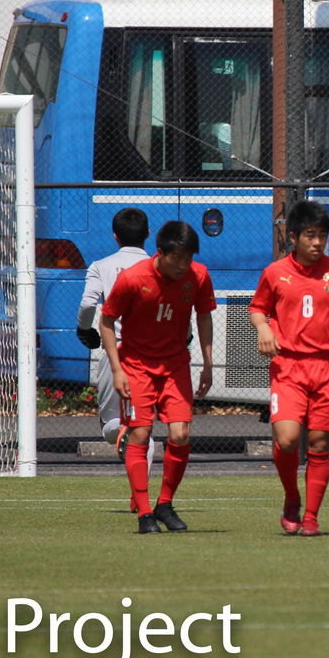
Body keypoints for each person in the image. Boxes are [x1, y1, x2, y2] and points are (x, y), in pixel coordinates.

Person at [250, 200, 329, 537]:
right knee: (288, 438)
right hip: (288, 367)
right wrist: (263, 328)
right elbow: (258, 309)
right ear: (293, 237)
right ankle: (292, 496)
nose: (317, 242)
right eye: (310, 235)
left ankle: (311, 517)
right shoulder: (274, 272)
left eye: (322, 236)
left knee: (319, 444)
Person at [100, 220, 216, 534]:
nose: (183, 265)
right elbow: (106, 322)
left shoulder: (199, 276)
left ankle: (165, 504)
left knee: (180, 434)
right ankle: (145, 513)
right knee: (139, 434)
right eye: (176, 258)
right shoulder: (133, 279)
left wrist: (207, 363)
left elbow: (204, 316)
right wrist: (117, 369)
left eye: (188, 258)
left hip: (176, 365)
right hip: (136, 365)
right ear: (160, 253)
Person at [77, 207, 157, 497]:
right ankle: (140, 494)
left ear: (115, 236)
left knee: (111, 425)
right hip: (153, 356)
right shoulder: (158, 267)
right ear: (148, 234)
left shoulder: (102, 265)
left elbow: (88, 304)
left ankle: (121, 434)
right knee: (144, 427)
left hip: (117, 354)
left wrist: (84, 329)